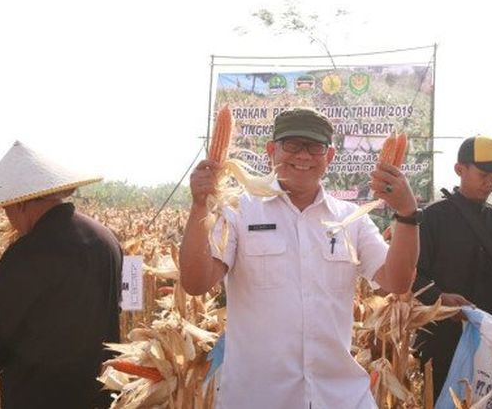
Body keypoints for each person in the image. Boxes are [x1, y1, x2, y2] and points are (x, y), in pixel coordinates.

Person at [180, 107, 420, 409]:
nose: (303, 156)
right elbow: (195, 282)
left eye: (314, 147)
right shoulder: (239, 211)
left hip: (339, 398)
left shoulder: (351, 219)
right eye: (292, 145)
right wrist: (200, 206)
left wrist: (407, 215)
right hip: (257, 398)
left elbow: (397, 282)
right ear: (271, 151)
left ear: (329, 156)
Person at [0, 141, 122, 409]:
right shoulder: (107, 239)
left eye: (7, 208)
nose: (8, 218)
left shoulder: (26, 253)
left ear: (22, 204)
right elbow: (117, 308)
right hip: (99, 394)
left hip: (39, 395)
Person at [412, 135, 492, 398]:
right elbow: (411, 275)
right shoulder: (430, 218)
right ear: (460, 170)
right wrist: (438, 298)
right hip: (442, 341)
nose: (491, 181)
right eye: (484, 174)